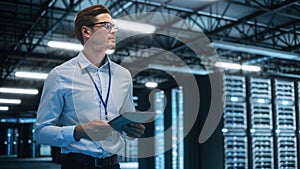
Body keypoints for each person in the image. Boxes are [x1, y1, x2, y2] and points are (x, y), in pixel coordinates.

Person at [35, 4, 145, 169]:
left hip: (113, 165)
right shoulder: (60, 75)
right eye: (106, 26)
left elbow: (126, 120)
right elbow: (41, 133)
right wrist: (79, 131)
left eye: (114, 26)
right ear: (86, 32)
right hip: (77, 165)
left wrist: (131, 130)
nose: (114, 31)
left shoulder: (123, 75)